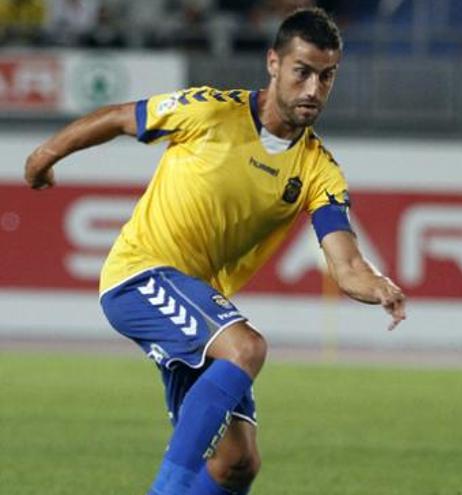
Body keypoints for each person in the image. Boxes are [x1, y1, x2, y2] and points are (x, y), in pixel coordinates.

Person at [25, 7, 406, 495]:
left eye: (326, 77)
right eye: (302, 72)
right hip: (139, 275)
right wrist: (43, 156)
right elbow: (122, 117)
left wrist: (377, 286)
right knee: (246, 347)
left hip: (199, 306)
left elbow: (346, 263)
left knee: (237, 462)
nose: (313, 89)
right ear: (273, 63)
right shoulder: (210, 110)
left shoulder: (319, 170)